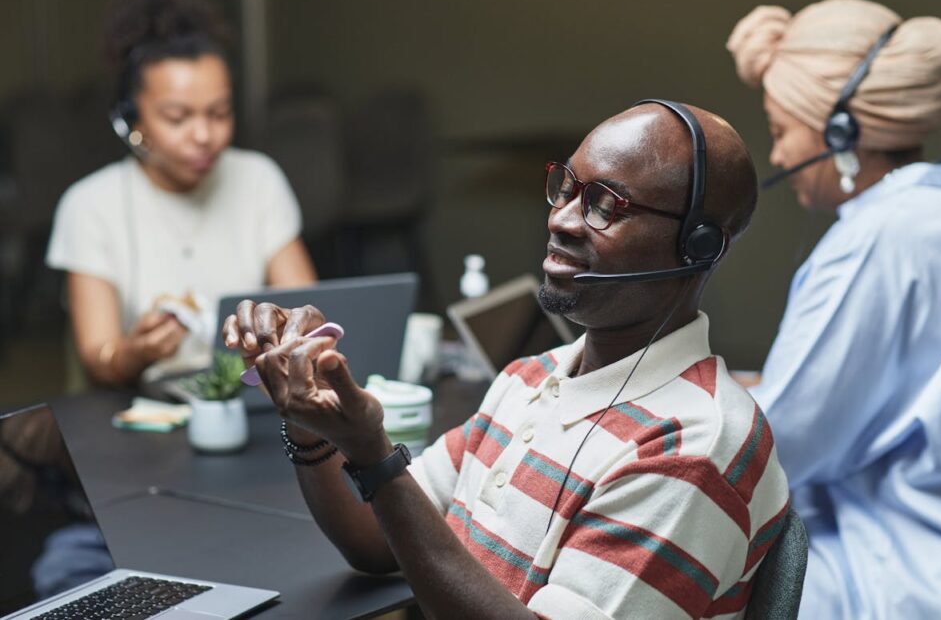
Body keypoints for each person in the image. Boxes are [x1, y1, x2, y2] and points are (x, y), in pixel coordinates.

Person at [223, 101, 790, 618]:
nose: (561, 219)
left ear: (697, 247)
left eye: (604, 205)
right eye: (566, 188)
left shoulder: (692, 448)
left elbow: (384, 493)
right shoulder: (530, 380)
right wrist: (308, 419)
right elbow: (375, 540)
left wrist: (373, 454)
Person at [727, 0, 941, 617]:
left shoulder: (885, 235)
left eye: (781, 132)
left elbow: (782, 446)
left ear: (839, 133)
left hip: (930, 575)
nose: (778, 157)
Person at [46, 0, 316, 387]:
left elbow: (307, 315)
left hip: (250, 401)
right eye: (177, 117)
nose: (204, 135)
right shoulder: (88, 205)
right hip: (142, 414)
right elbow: (97, 360)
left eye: (220, 113)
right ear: (131, 119)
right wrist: (134, 353)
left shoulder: (259, 179)